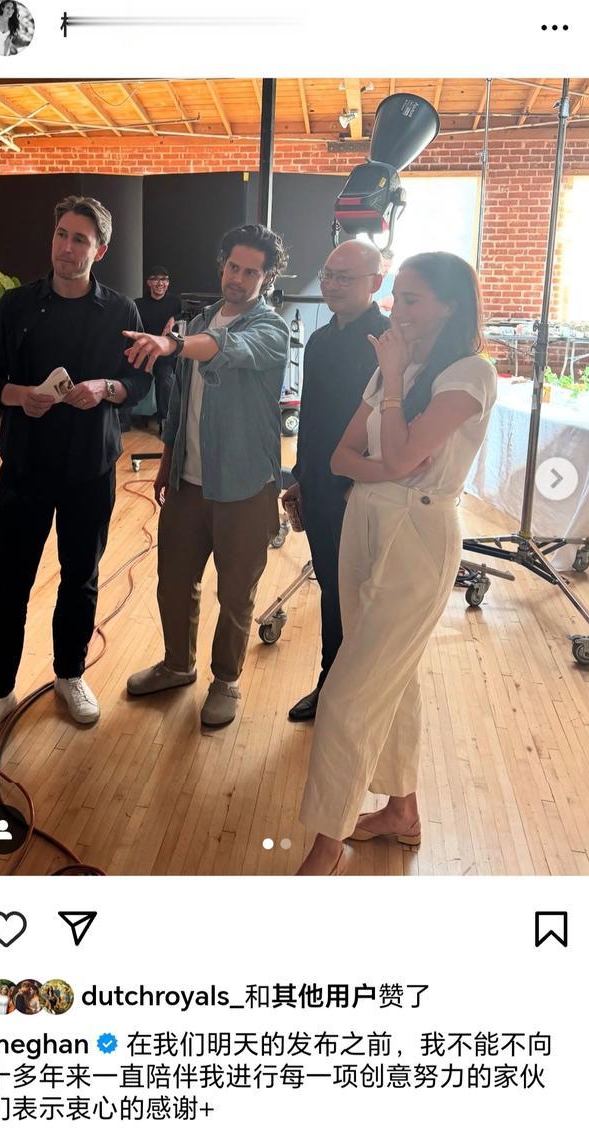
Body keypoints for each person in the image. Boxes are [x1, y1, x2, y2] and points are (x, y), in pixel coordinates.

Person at [297, 251, 497, 875]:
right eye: (397, 297)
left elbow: (405, 456)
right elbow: (341, 456)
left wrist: (388, 390)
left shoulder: (470, 373)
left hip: (419, 532)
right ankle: (401, 811)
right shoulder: (401, 367)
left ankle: (327, 844)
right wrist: (386, 460)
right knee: (394, 676)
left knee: (346, 695)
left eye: (411, 299)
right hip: (366, 516)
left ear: (449, 306)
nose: (397, 310)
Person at [0, 194, 150, 736]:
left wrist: (106, 387)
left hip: (90, 468)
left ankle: (70, 675)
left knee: (81, 575)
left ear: (99, 251)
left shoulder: (122, 312)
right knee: (9, 579)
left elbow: (140, 382)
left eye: (80, 239)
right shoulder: (16, 306)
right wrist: (20, 395)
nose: (66, 247)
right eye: (61, 234)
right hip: (25, 466)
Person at [124, 223, 289, 729]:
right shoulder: (199, 320)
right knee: (174, 582)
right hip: (187, 483)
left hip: (244, 486)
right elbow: (179, 404)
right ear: (222, 265)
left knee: (236, 592)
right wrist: (167, 461)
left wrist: (173, 344)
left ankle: (226, 680)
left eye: (251, 272)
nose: (238, 278)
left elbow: (227, 348)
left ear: (267, 278)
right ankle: (178, 665)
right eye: (233, 266)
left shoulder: (270, 329)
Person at [283, 240, 388, 723]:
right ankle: (331, 683)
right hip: (321, 485)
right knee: (332, 586)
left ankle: (360, 694)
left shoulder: (388, 342)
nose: (332, 284)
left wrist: (356, 482)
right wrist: (301, 478)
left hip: (363, 489)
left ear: (375, 282)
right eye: (328, 274)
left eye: (345, 276)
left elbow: (390, 424)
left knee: (363, 593)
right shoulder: (321, 339)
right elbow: (311, 417)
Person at [122, 268, 182, 434]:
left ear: (168, 283)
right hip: (144, 351)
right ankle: (122, 421)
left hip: (164, 354)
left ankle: (165, 423)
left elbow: (187, 312)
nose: (160, 283)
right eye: (155, 279)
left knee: (164, 378)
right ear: (148, 283)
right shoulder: (138, 304)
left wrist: (174, 318)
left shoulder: (175, 302)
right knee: (129, 374)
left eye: (164, 279)